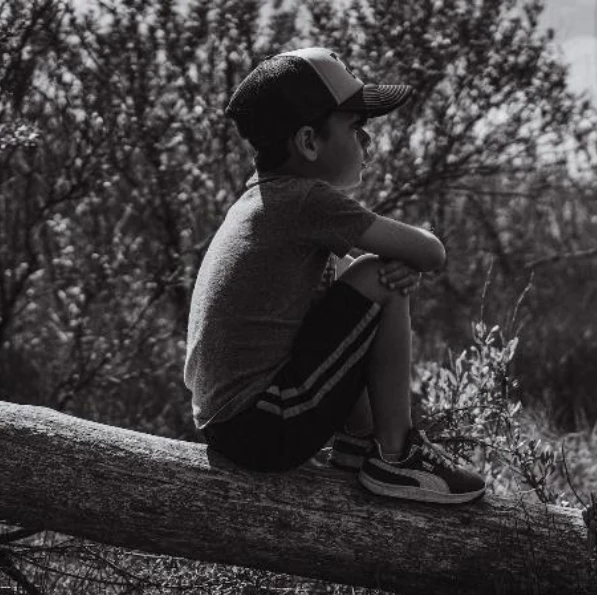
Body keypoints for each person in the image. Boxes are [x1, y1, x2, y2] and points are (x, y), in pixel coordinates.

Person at [184, 47, 485, 504]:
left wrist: (395, 270)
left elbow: (343, 307)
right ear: (309, 142)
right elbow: (431, 250)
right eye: (357, 128)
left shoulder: (264, 202)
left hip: (237, 423)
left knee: (365, 283)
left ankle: (358, 444)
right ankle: (396, 456)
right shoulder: (305, 200)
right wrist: (398, 268)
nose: (368, 143)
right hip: (263, 426)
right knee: (377, 277)